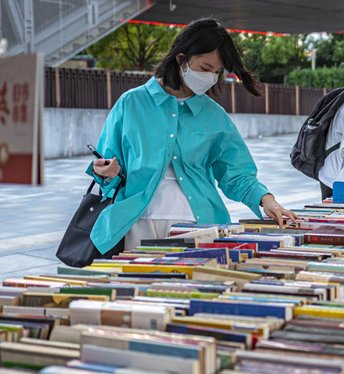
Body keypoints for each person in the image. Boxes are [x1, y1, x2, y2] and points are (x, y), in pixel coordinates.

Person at [86, 18, 297, 254]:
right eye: (206, 69)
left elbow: (237, 174)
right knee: (141, 288)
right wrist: (105, 171)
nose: (211, 77)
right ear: (181, 59)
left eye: (218, 72)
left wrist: (266, 200)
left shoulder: (214, 116)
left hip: (200, 225)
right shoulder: (131, 103)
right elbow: (107, 170)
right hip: (136, 224)